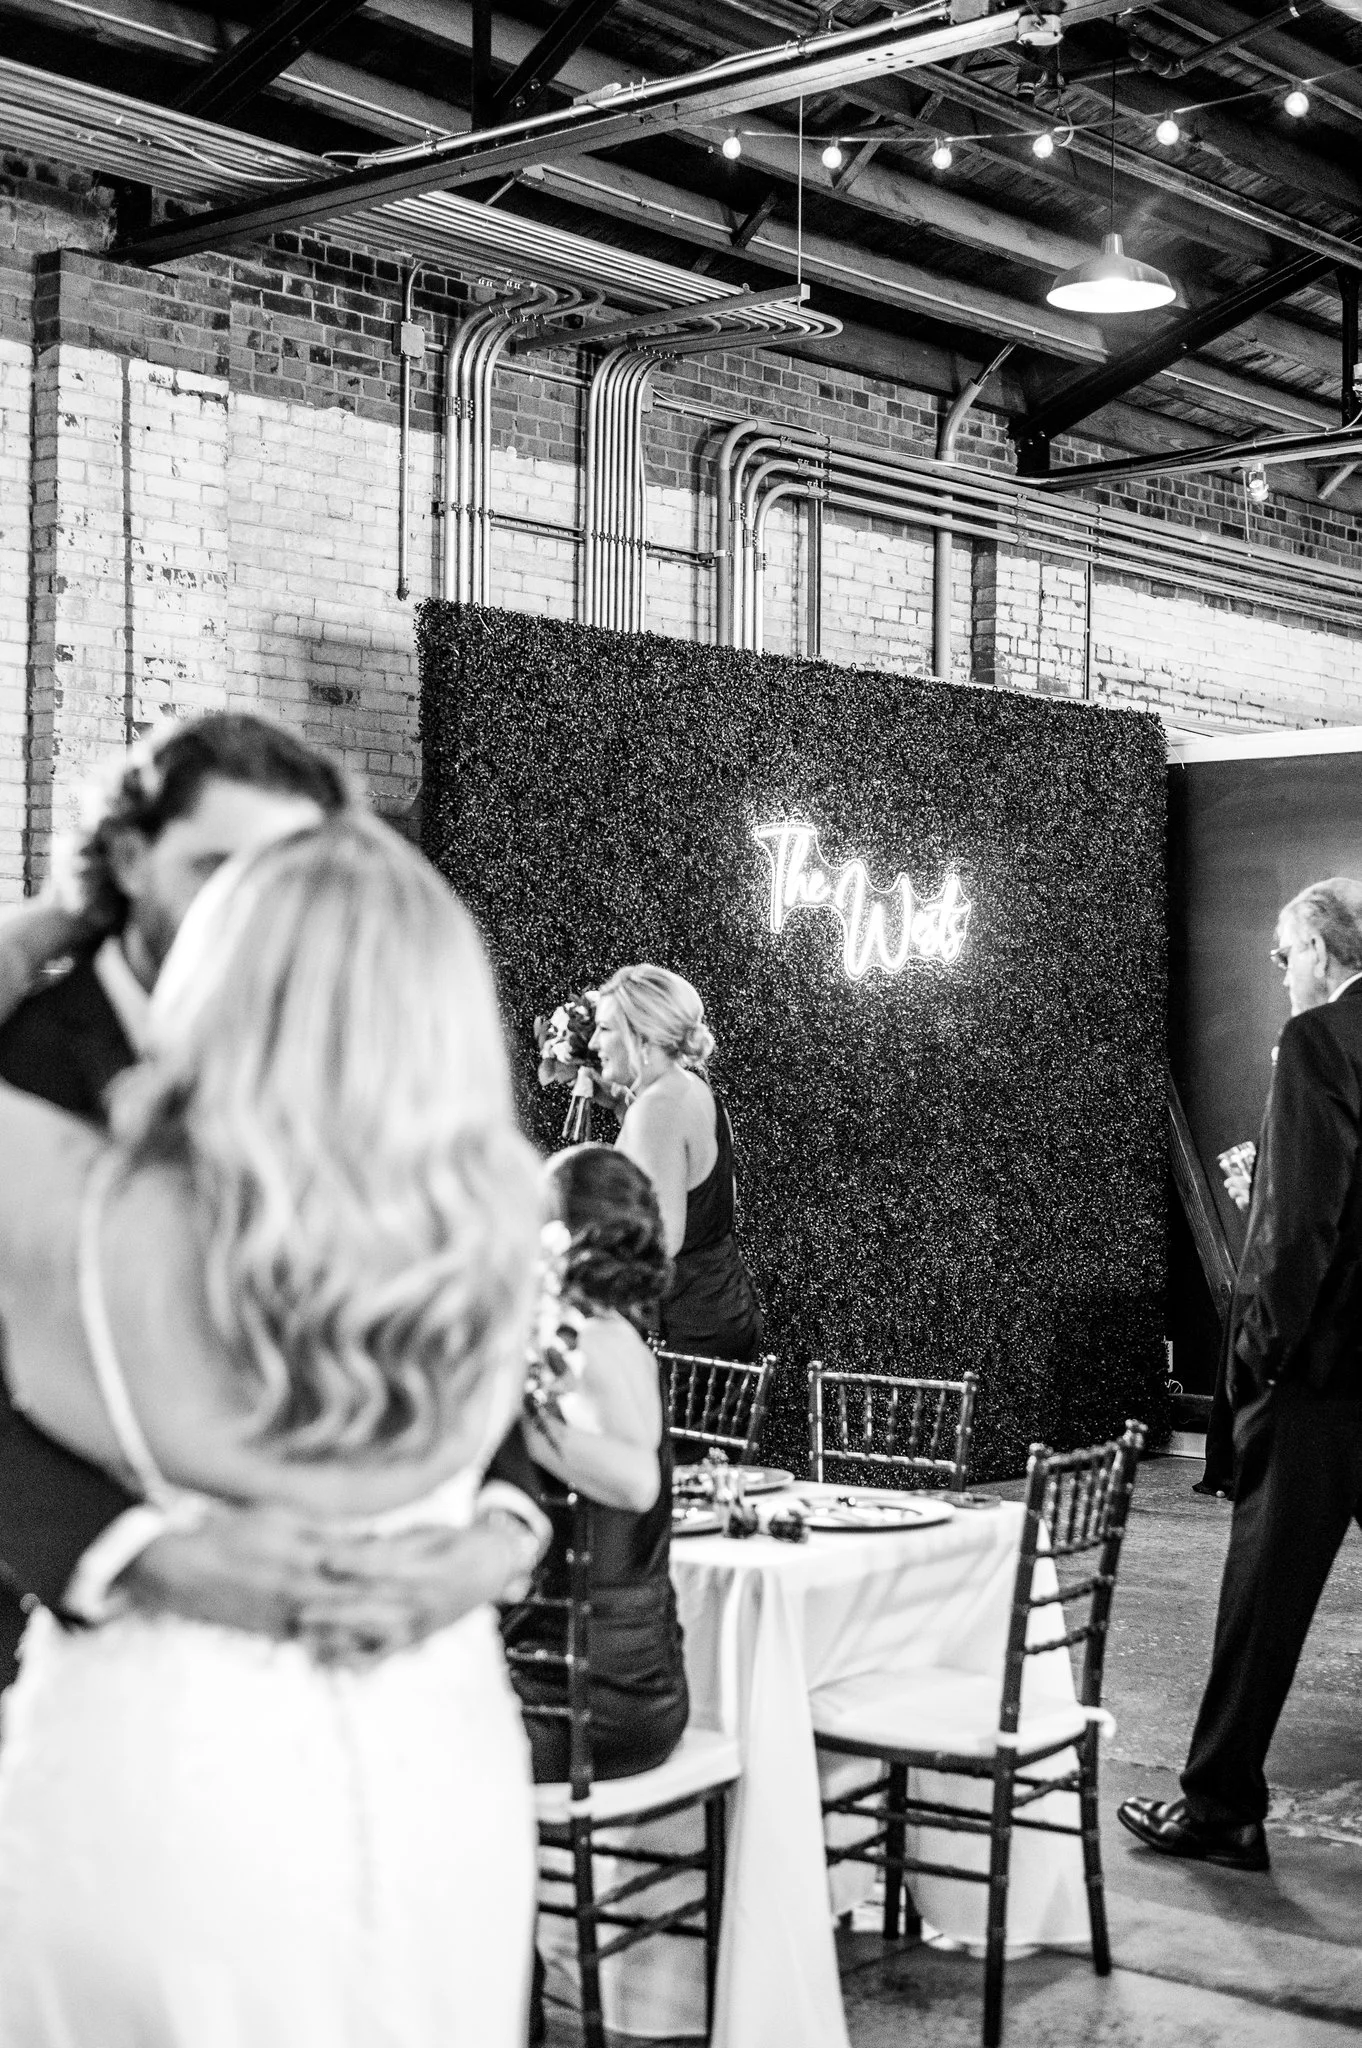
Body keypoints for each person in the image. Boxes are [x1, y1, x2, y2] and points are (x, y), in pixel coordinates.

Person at [0, 814, 542, 2042]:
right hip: (434, 1773)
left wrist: (47, 925)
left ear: (216, 976)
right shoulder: (498, 1224)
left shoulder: (74, 1207)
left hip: (164, 1781)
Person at [0, 713, 544, 1697]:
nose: (263, 911)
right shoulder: (27, 1059)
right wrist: (123, 1550)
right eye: (217, 867)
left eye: (288, 869)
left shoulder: (361, 1061)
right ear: (130, 856)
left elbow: (452, 1285)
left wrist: (499, 1527)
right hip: (76, 1645)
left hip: (371, 1651)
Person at [1118, 877, 1362, 1874]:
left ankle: (1221, 1805)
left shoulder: (1314, 1042)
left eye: (1280, 948)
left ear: (1316, 944)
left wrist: (1259, 1344)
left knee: (1261, 1595)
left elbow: (1306, 1223)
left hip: (1315, 1377)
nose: (1277, 967)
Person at [506, 1143, 690, 1784]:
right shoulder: (608, 1332)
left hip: (586, 1708)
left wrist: (521, 1425)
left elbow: (638, 1484)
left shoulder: (583, 1340)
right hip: (631, 1687)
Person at [591, 965, 763, 1362]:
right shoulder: (689, 1088)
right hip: (720, 1310)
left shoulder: (656, 1111)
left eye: (606, 1029)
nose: (596, 1042)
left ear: (643, 1037)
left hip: (684, 1334)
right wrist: (621, 1106)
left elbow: (664, 1242)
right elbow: (679, 1177)